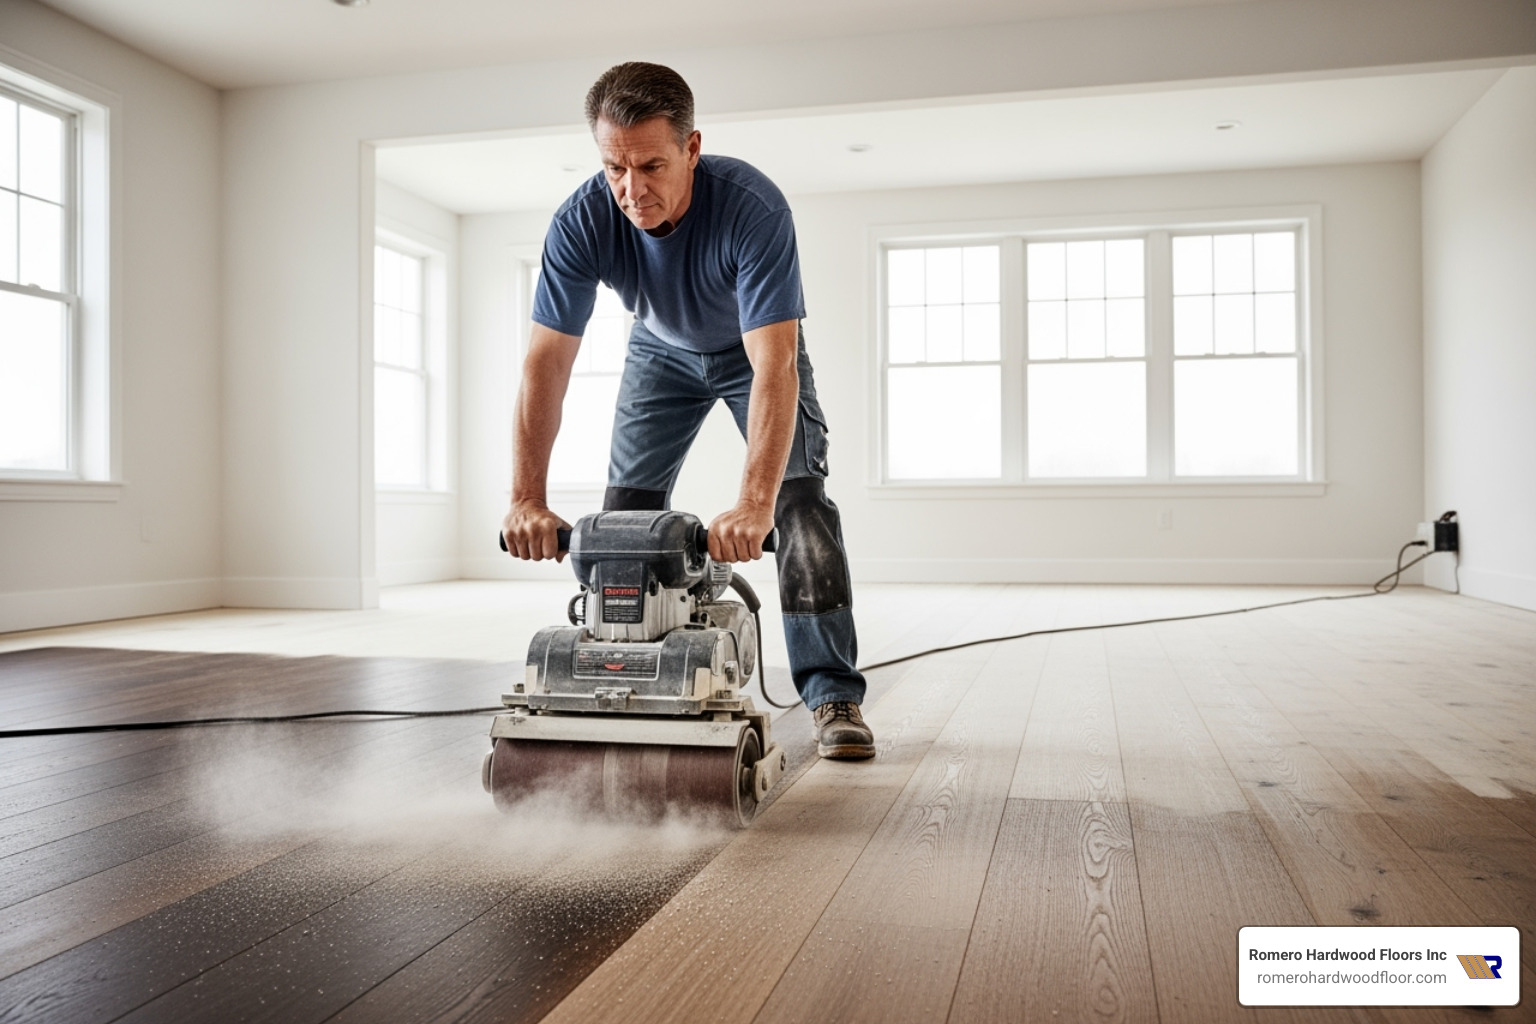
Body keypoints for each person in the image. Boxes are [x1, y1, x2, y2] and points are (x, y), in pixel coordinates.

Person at [499, 62, 874, 760]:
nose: (631, 190)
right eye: (614, 167)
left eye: (651, 165)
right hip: (658, 350)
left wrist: (755, 501)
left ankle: (831, 695)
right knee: (620, 533)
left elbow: (775, 364)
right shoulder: (582, 220)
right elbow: (545, 363)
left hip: (752, 350)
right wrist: (526, 497)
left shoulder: (751, 208)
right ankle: (630, 687)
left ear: (692, 149)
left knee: (801, 511)